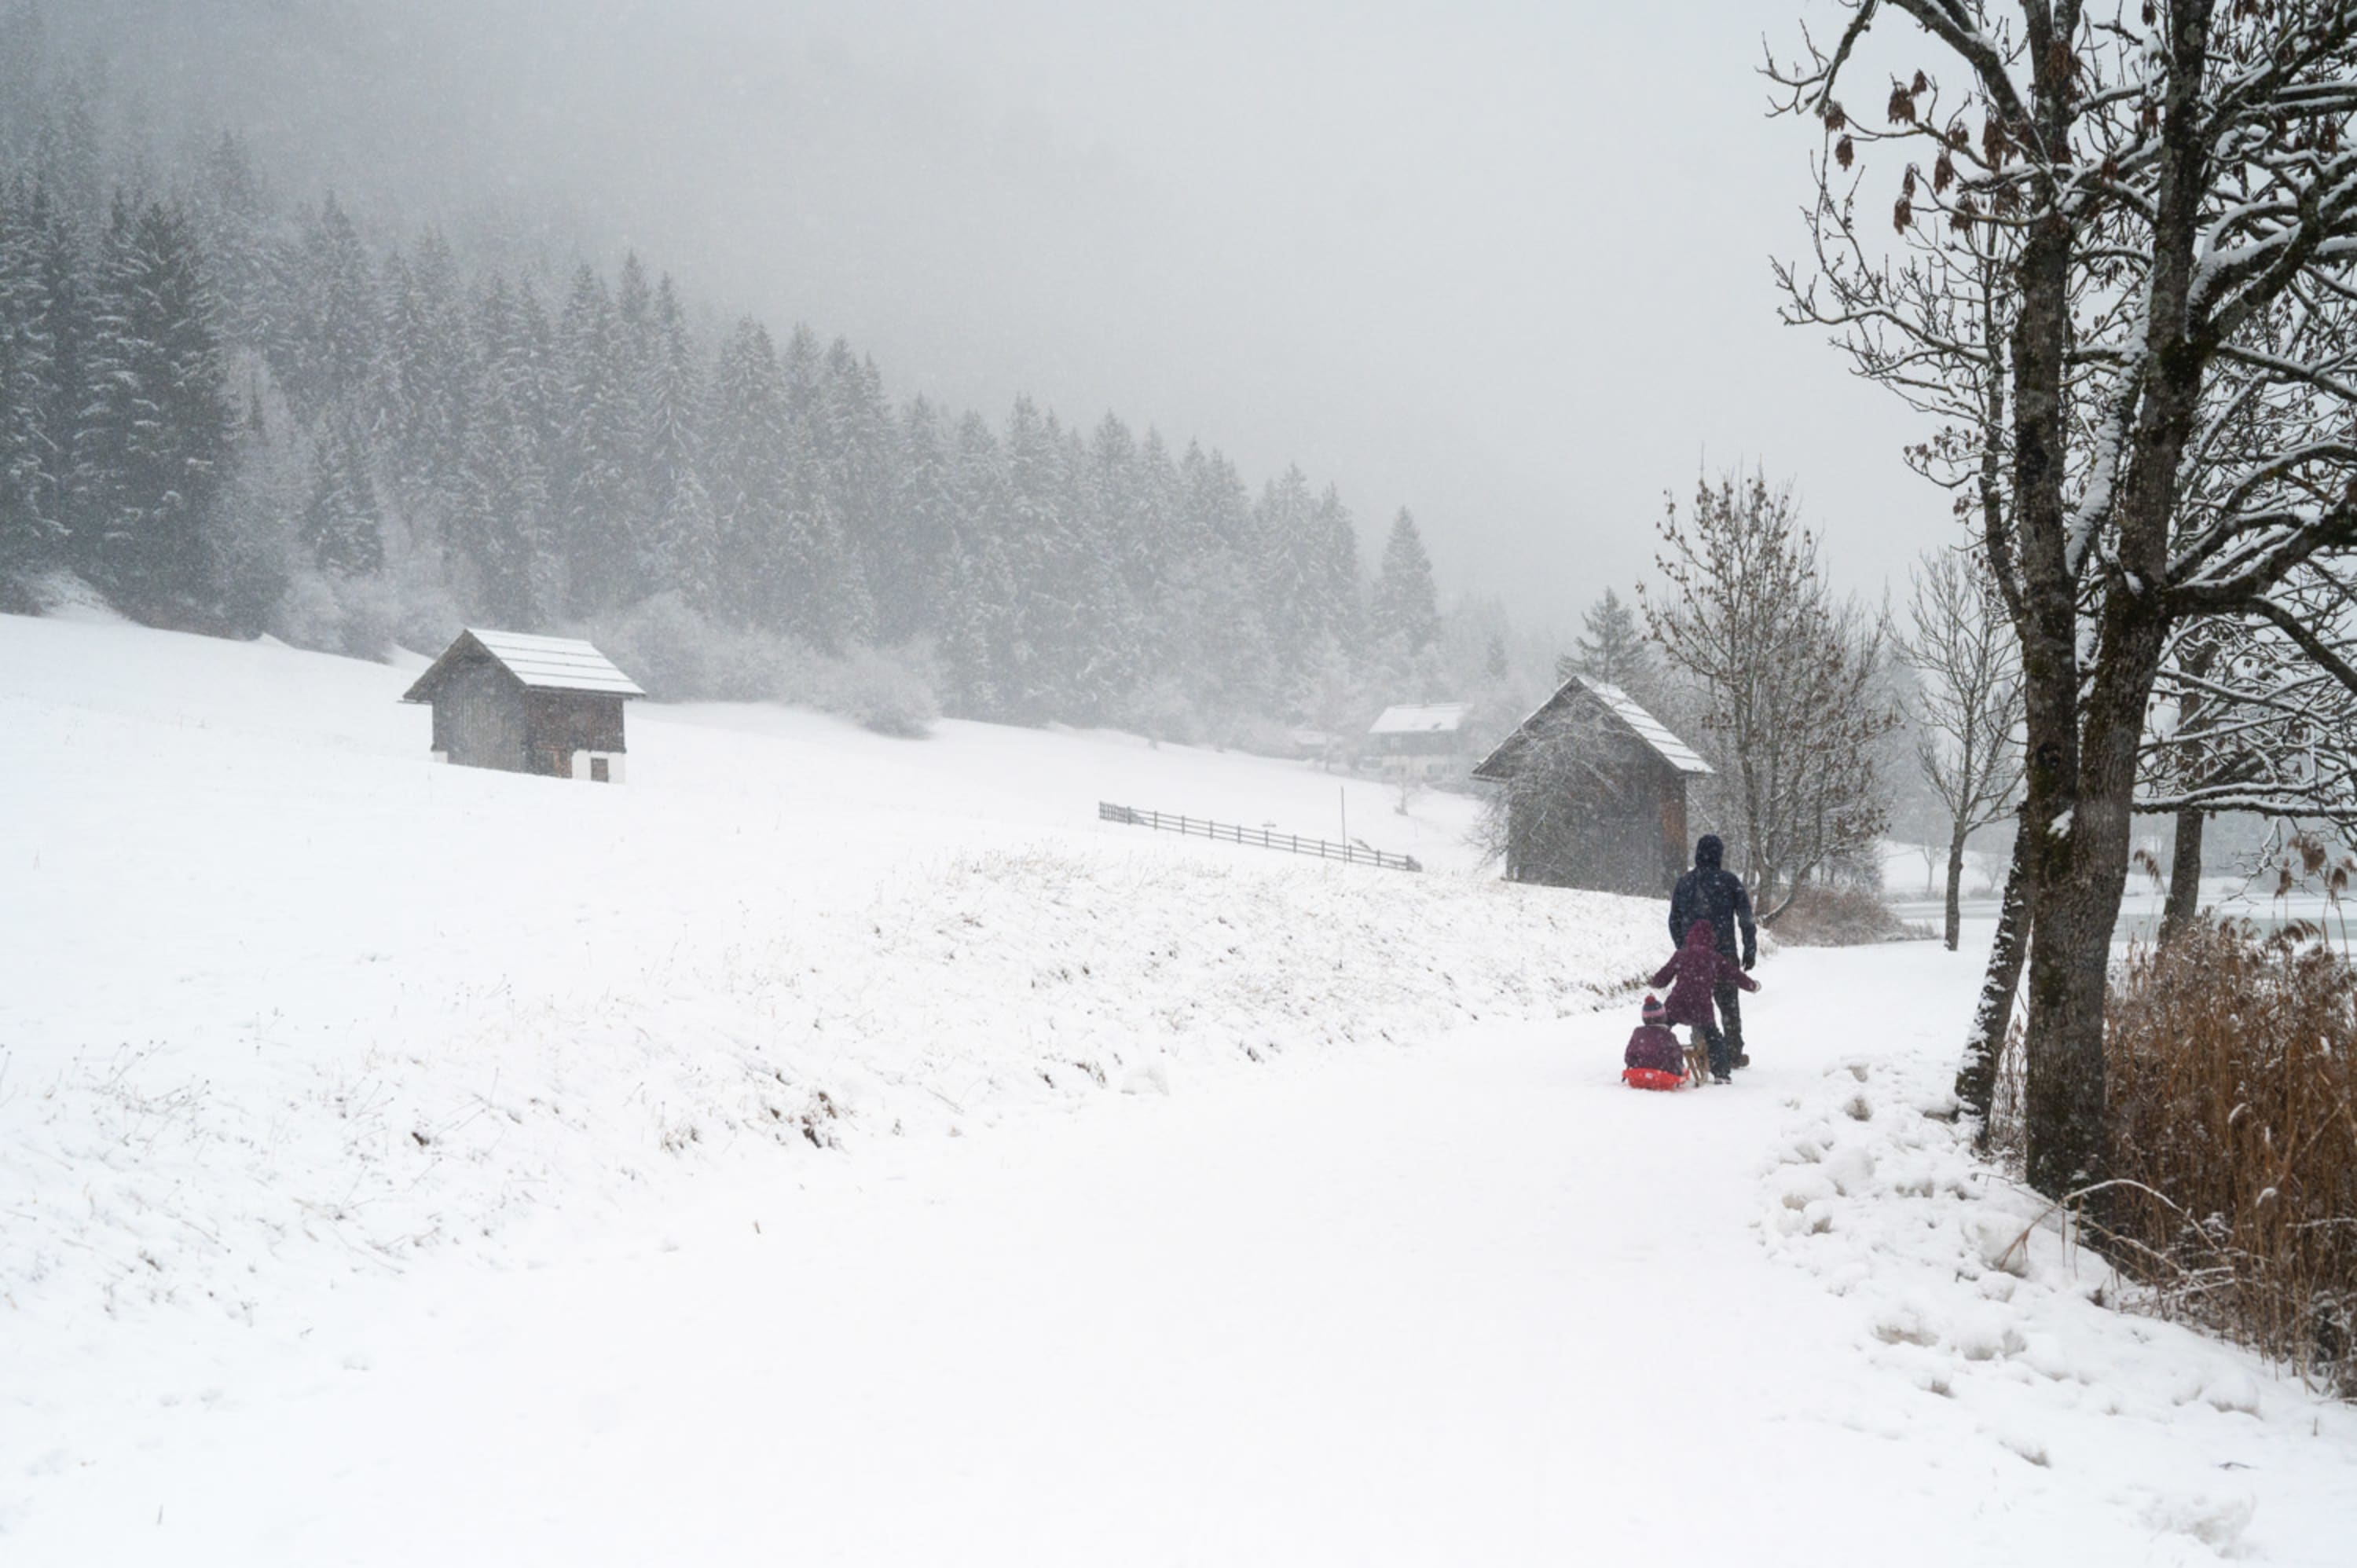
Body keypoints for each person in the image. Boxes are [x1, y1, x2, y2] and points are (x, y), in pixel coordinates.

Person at [1669, 833, 1758, 1068]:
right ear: (1719, 855)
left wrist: (1684, 949)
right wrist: (1750, 948)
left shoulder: (1685, 883)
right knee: (1728, 1005)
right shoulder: (1729, 881)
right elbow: (1746, 918)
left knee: (1698, 999)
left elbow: (1674, 920)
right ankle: (1733, 1052)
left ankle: (1702, 1048)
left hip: (1693, 958)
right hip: (1724, 954)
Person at [1650, 919, 1759, 1083]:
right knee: (1713, 1038)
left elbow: (1663, 977)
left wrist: (1654, 981)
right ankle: (1721, 1074)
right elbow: (1734, 975)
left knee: (1660, 1030)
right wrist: (1752, 986)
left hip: (1677, 1003)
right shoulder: (1714, 957)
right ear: (1711, 939)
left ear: (1690, 937)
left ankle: (1651, 1061)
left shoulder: (1681, 954)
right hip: (1701, 1007)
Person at [1621, 994, 1687, 1090]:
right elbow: (1677, 1056)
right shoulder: (1668, 1035)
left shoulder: (1638, 1033)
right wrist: (1678, 1069)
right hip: (1664, 1072)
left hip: (1640, 1070)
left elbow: (1629, 1056)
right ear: (1664, 1017)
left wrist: (1635, 1064)